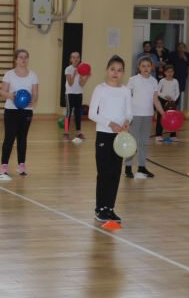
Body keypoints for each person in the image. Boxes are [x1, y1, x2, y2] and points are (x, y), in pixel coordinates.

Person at [88, 55, 132, 224]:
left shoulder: (126, 90)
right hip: (104, 135)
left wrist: (127, 121)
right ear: (107, 70)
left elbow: (129, 112)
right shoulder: (100, 89)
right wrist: (110, 124)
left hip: (120, 137)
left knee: (115, 173)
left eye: (119, 70)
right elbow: (92, 114)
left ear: (123, 73)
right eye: (112, 69)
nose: (115, 73)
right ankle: (100, 209)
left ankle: (110, 208)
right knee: (104, 173)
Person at [0, 49, 38, 180]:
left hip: (26, 111)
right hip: (11, 110)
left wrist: (33, 101)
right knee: (9, 138)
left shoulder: (33, 75)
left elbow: (35, 93)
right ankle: (4, 166)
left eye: (26, 57)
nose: (23, 60)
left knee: (22, 138)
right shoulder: (9, 75)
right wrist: (10, 95)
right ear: (16, 59)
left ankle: (21, 165)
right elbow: (2, 93)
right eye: (21, 57)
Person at [124, 58, 165, 179]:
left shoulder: (154, 81)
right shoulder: (133, 80)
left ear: (152, 67)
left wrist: (163, 113)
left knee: (143, 142)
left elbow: (156, 100)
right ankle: (128, 167)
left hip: (148, 115)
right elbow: (126, 98)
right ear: (139, 67)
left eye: (148, 66)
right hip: (135, 115)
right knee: (132, 142)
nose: (146, 68)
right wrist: (126, 115)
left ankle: (142, 167)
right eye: (143, 66)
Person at [63, 51, 88, 142]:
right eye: (73, 57)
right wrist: (74, 73)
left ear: (79, 59)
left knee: (78, 113)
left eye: (77, 57)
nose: (76, 59)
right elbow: (70, 83)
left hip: (79, 94)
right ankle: (66, 132)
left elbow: (81, 84)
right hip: (69, 94)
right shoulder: (68, 69)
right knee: (68, 113)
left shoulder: (81, 69)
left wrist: (86, 76)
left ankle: (78, 133)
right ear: (71, 59)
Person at [155, 65, 180, 142]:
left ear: (173, 72)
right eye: (168, 72)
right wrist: (165, 96)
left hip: (172, 102)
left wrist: (173, 99)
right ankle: (158, 135)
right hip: (163, 101)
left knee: (173, 119)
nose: (170, 73)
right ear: (165, 73)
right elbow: (158, 92)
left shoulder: (175, 81)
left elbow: (178, 92)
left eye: (171, 72)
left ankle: (173, 136)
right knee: (160, 118)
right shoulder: (162, 81)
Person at [169, 42, 189, 110]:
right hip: (173, 76)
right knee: (171, 91)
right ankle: (169, 107)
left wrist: (184, 57)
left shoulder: (186, 54)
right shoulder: (173, 54)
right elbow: (169, 62)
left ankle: (175, 107)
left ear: (184, 48)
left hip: (182, 77)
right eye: (179, 47)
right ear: (177, 48)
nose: (181, 48)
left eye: (182, 47)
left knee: (178, 92)